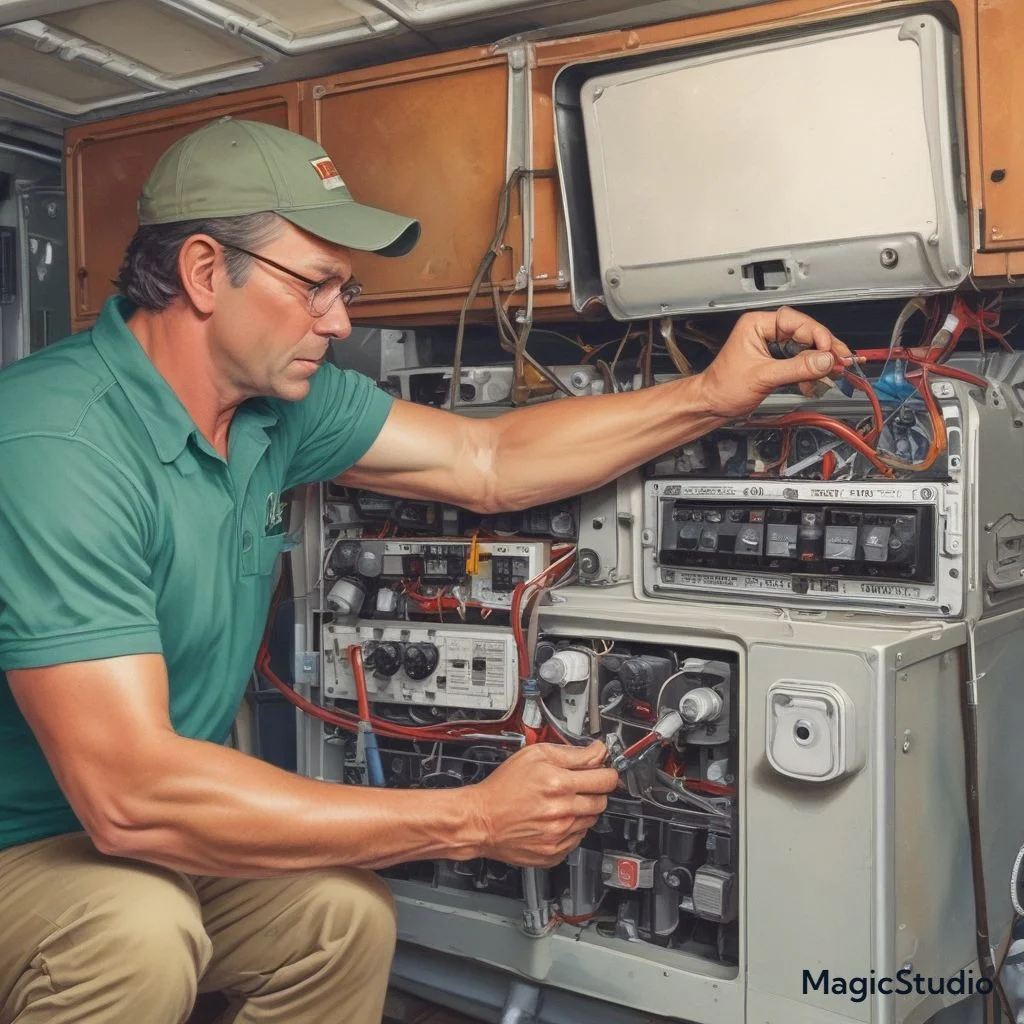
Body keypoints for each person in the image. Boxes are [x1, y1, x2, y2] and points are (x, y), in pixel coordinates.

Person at [0, 118, 854, 1024]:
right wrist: (473, 818)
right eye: (316, 285)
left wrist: (710, 395)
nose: (340, 318)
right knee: (137, 926)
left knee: (344, 915)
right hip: (36, 845)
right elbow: (131, 799)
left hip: (144, 832)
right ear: (205, 273)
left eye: (346, 286)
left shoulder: (273, 403)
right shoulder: (58, 443)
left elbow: (484, 462)